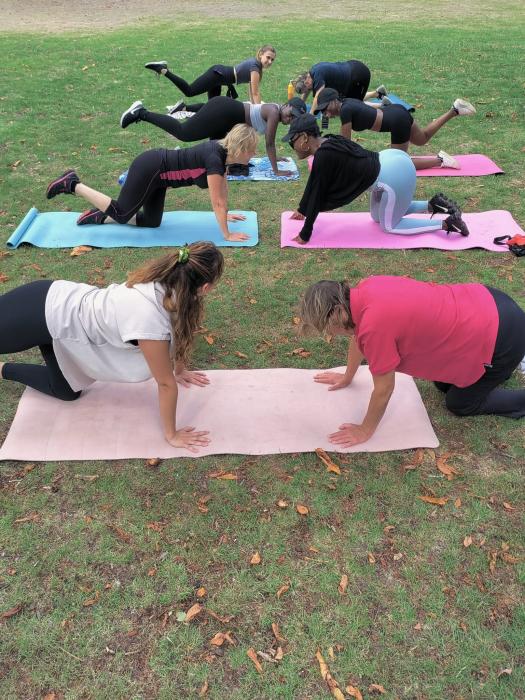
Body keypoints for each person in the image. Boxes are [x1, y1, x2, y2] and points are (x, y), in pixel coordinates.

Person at [0, 242, 226, 453]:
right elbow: (165, 384)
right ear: (205, 287)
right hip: (39, 310)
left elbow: (180, 332)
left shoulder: (174, 285)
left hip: (62, 329)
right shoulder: (149, 319)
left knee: (66, 392)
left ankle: (2, 369)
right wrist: (172, 434)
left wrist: (180, 369)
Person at [299, 276, 525, 448]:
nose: (329, 333)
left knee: (459, 403)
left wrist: (364, 430)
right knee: (443, 385)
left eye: (327, 326)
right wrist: (348, 377)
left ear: (339, 311)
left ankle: (511, 379)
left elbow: (384, 390)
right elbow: (358, 338)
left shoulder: (374, 327)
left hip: (502, 335)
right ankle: (501, 368)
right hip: (489, 300)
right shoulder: (365, 288)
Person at [45, 124, 258, 241]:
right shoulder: (214, 159)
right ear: (240, 148)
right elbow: (217, 202)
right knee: (122, 213)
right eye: (252, 149)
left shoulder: (223, 155)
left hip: (160, 179)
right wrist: (227, 234)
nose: (254, 153)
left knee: (151, 221)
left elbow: (223, 190)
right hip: (150, 168)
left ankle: (102, 215)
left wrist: (226, 214)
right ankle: (73, 183)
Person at [282, 114, 469, 244]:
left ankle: (446, 223)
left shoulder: (324, 155)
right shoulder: (329, 141)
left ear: (305, 138)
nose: (292, 145)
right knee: (376, 217)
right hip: (390, 162)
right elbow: (314, 184)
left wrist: (305, 233)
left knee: (389, 226)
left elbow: (317, 192)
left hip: (393, 177)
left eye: (293, 141)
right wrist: (302, 209)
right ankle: (433, 205)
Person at [120, 97, 307, 177]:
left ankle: (183, 163)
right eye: (291, 114)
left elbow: (269, 145)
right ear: (286, 105)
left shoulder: (276, 111)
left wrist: (276, 159)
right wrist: (276, 170)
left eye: (293, 119)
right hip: (223, 111)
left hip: (226, 120)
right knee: (184, 133)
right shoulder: (274, 112)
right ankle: (141, 113)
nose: (289, 119)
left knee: (215, 153)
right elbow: (269, 143)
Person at [313, 88, 477, 170]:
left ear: (334, 101)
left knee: (399, 164)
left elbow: (346, 144)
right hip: (397, 111)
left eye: (325, 108)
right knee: (422, 139)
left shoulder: (345, 111)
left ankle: (440, 160)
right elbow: (366, 106)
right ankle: (454, 110)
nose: (325, 112)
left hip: (397, 121)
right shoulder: (348, 102)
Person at [143, 45, 277, 104]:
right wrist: (260, 111)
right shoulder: (255, 67)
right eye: (268, 57)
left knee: (213, 108)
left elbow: (251, 91)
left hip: (221, 78)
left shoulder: (257, 67)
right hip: (217, 75)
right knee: (190, 91)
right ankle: (163, 69)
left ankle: (183, 108)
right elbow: (255, 93)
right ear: (260, 54)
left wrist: (255, 107)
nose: (270, 61)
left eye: (272, 59)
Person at [293, 59, 385, 114]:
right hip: (354, 66)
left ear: (306, 82)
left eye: (306, 90)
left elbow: (317, 97)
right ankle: (377, 94)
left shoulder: (317, 78)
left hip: (357, 75)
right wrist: (299, 106)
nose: (308, 91)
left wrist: (310, 115)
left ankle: (383, 106)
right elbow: (306, 93)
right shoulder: (312, 72)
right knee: (345, 100)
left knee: (352, 105)